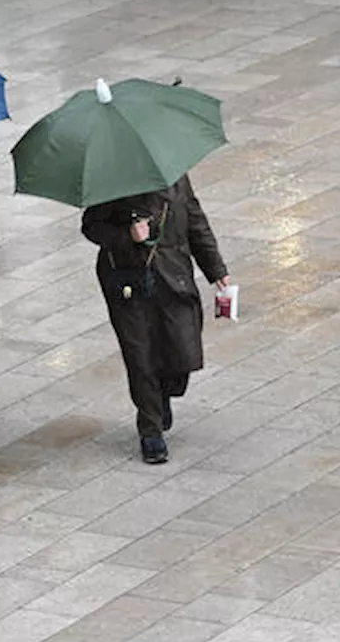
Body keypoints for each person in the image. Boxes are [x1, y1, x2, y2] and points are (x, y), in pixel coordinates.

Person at [82, 174, 230, 464]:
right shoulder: (112, 182)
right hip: (129, 282)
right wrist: (127, 235)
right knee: (141, 355)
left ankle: (164, 393)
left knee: (182, 348)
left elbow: (196, 222)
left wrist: (217, 270)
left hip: (174, 276)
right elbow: (91, 227)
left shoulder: (177, 178)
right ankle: (150, 430)